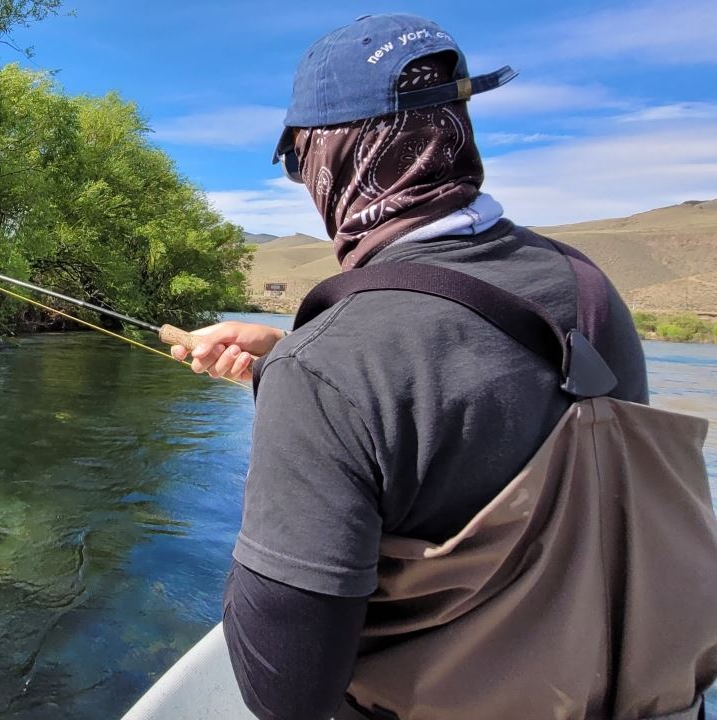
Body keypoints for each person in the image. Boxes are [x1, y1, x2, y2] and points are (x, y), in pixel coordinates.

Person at [170, 14, 717, 720]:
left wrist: (307, 385)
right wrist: (288, 367)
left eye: (295, 163)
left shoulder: (330, 365)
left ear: (330, 154)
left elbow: (286, 692)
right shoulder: (588, 287)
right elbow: (479, 400)